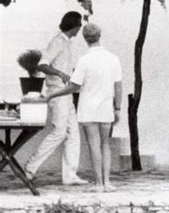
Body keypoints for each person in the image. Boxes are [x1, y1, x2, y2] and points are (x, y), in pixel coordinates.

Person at [45, 23, 122, 192]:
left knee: (94, 145)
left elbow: (74, 87)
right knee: (105, 145)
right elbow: (118, 86)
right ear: (99, 36)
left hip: (88, 109)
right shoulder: (113, 59)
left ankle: (99, 183)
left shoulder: (84, 60)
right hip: (106, 108)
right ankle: (107, 182)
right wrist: (117, 108)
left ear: (86, 39)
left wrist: (52, 95)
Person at [24, 11, 88, 185]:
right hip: (57, 94)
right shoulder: (57, 42)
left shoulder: (66, 43)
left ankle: (69, 175)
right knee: (59, 132)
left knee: (73, 134)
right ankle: (30, 167)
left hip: (66, 93)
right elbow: (42, 65)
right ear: (73, 25)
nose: (80, 28)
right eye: (79, 25)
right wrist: (59, 73)